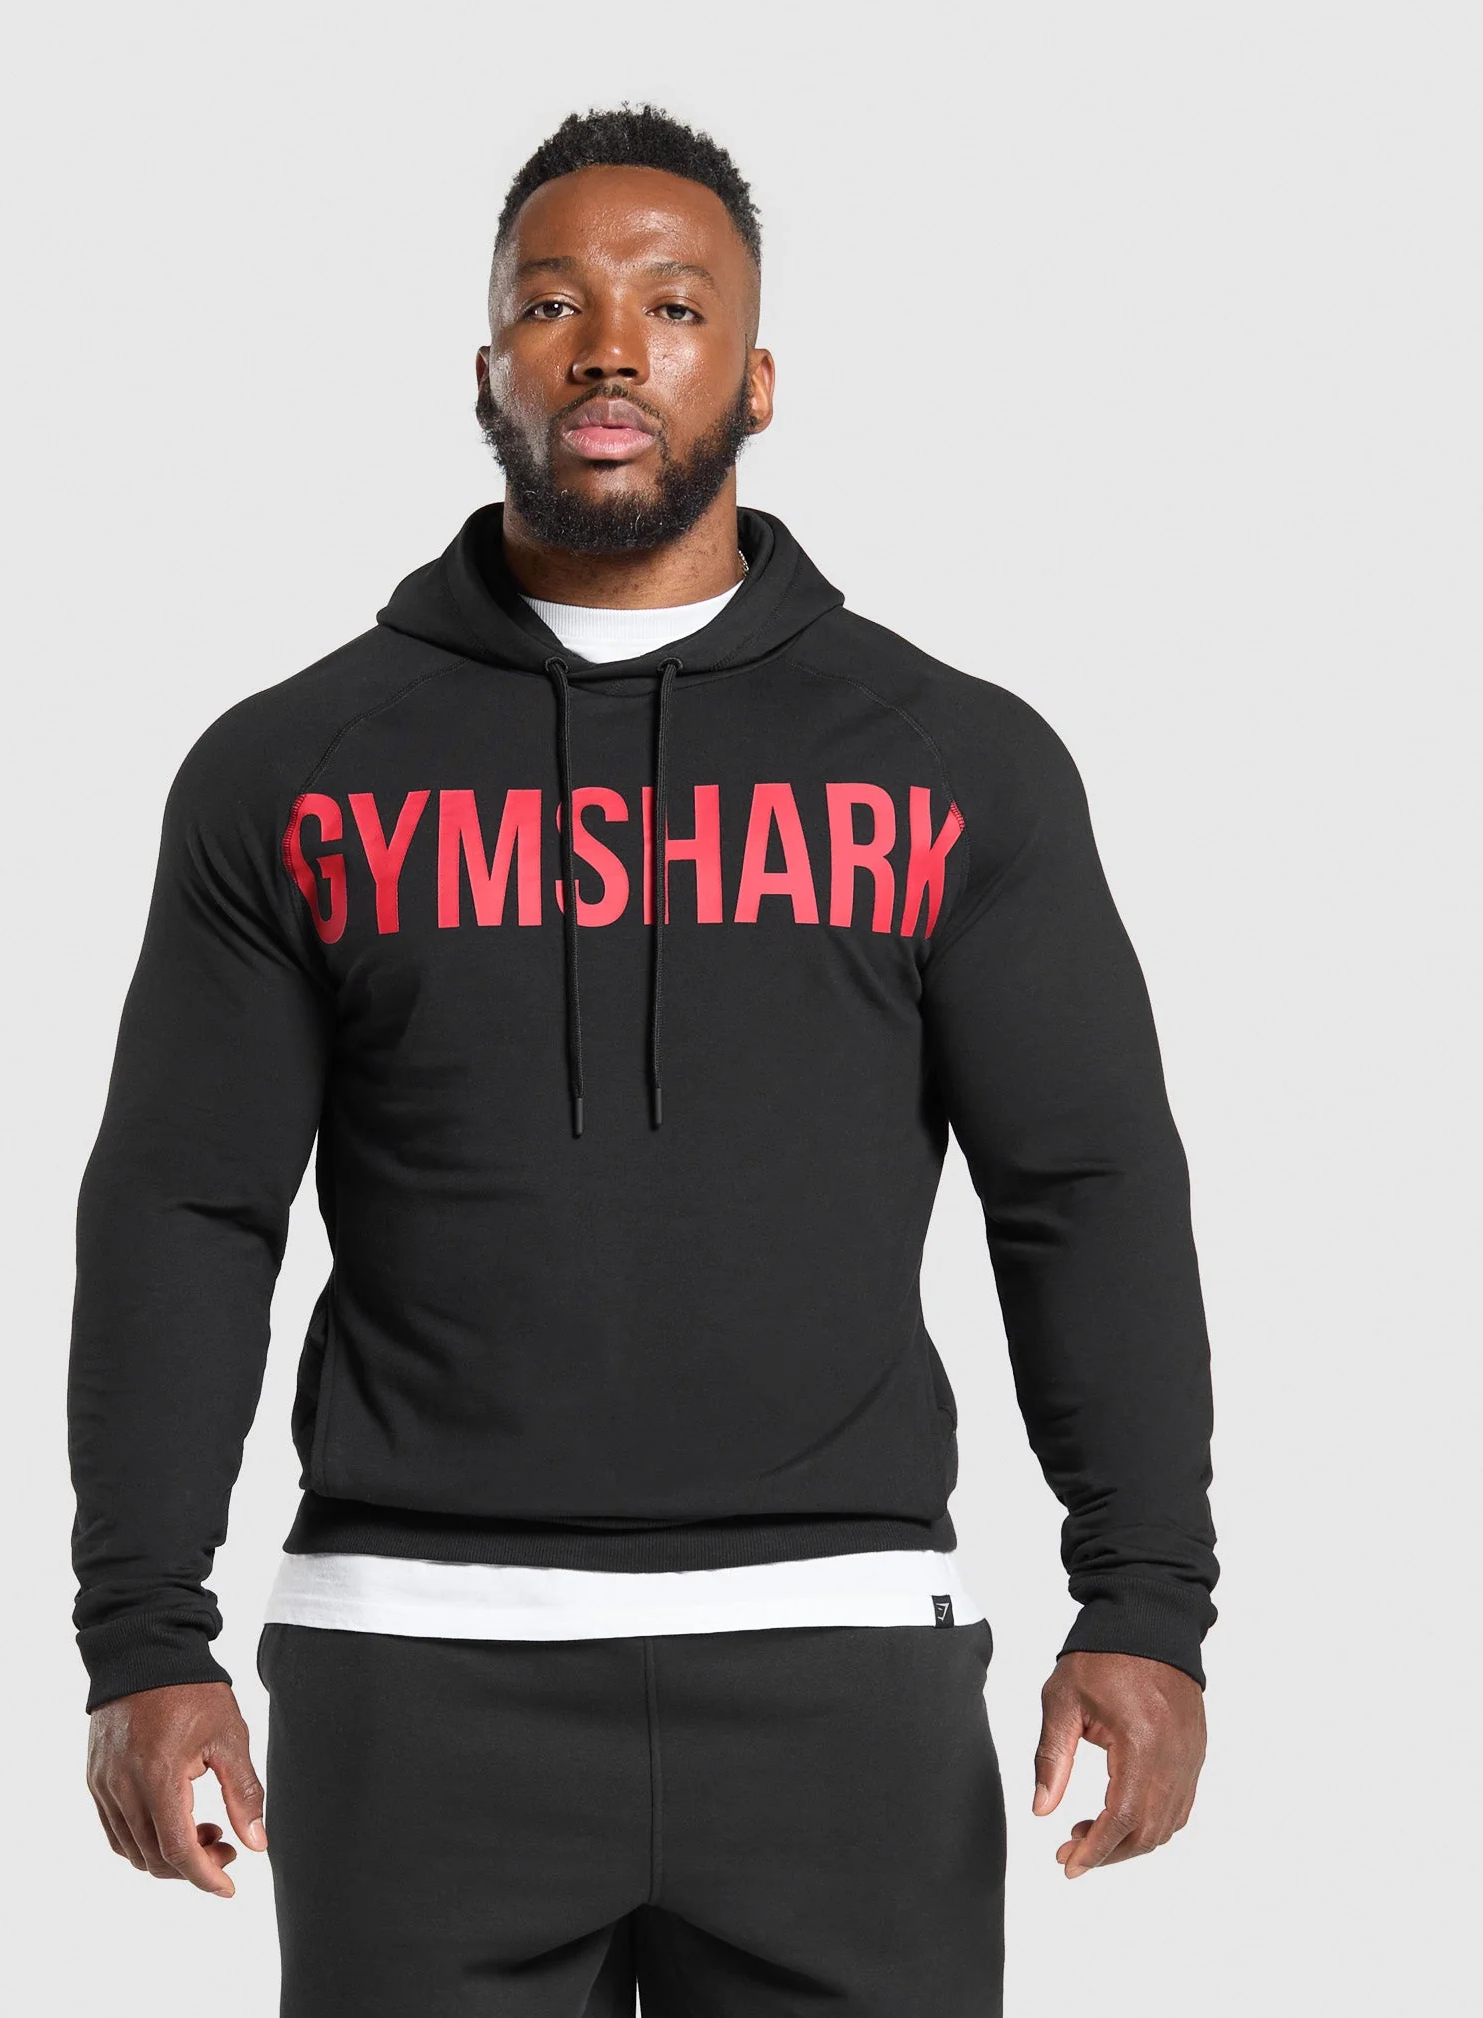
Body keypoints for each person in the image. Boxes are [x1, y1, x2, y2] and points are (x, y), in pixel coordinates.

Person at [70, 104, 1217, 2017]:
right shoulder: (292, 770)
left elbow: (1083, 1187)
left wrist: (1149, 1598)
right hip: (417, 1673)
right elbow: (188, 1206)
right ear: (488, 370)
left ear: (755, 377)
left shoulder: (955, 761)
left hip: (842, 1667)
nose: (612, 347)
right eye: (555, 304)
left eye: (674, 307)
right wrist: (141, 1632)